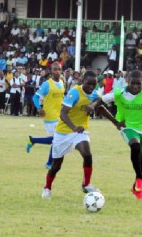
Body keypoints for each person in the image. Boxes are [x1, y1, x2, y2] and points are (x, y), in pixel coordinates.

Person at [101, 70, 142, 200]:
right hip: (127, 126)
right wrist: (93, 107)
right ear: (127, 81)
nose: (136, 86)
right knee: (135, 146)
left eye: (139, 83)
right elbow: (101, 101)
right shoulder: (119, 92)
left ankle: (137, 186)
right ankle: (140, 180)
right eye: (133, 83)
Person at [41, 71, 100, 199]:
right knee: (56, 166)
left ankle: (86, 184)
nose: (91, 87)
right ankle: (47, 187)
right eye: (89, 84)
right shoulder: (74, 92)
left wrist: (115, 122)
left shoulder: (94, 94)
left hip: (80, 132)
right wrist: (73, 127)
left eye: (94, 84)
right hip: (63, 133)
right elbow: (63, 113)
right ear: (82, 82)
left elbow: (99, 102)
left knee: (87, 154)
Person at [26, 62, 65, 170]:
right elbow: (35, 97)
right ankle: (49, 163)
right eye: (55, 69)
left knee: (56, 140)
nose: (57, 71)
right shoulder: (47, 84)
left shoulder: (62, 82)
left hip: (59, 115)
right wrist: (39, 108)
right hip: (49, 115)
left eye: (59, 69)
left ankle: (33, 140)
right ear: (51, 71)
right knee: (57, 139)